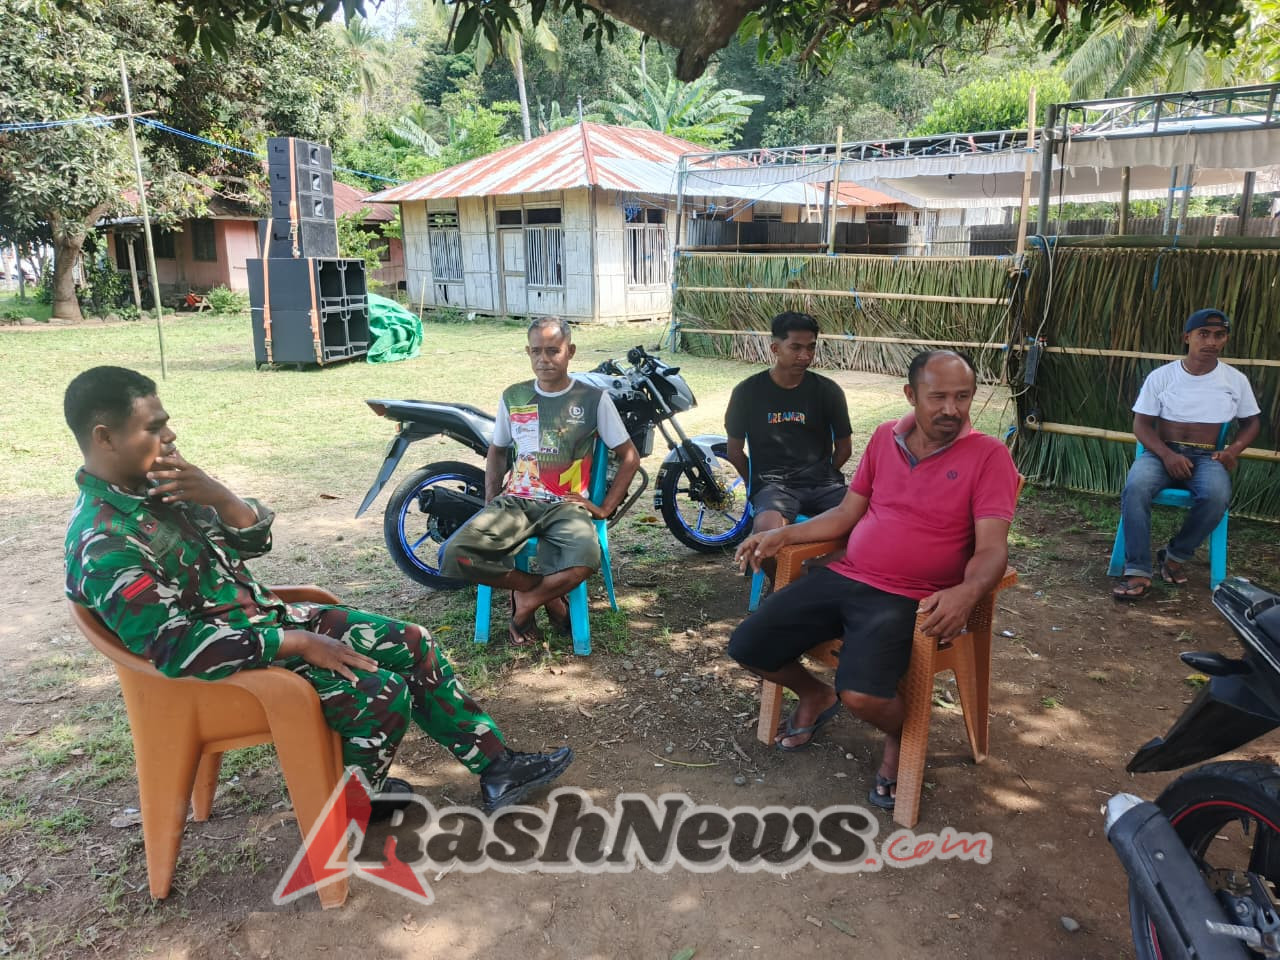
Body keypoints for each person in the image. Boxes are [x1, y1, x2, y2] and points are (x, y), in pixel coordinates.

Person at [63, 366, 571, 815]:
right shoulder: (105, 543)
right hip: (224, 671)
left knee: (414, 642)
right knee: (382, 695)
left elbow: (252, 542)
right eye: (153, 428)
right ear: (105, 437)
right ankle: (351, 805)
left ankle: (498, 768)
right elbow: (175, 649)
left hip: (266, 624)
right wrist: (300, 643)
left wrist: (219, 495)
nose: (170, 436)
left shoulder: (160, 489)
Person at [727, 351, 1018, 810]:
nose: (951, 409)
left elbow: (991, 548)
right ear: (910, 395)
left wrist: (968, 591)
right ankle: (815, 694)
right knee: (748, 646)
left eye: (962, 397)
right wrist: (783, 533)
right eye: (938, 396)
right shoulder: (885, 438)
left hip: (913, 597)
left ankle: (905, 736)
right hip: (848, 576)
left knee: (861, 694)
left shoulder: (988, 456)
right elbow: (847, 513)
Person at [440, 317, 640, 645]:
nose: (543, 359)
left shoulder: (592, 399)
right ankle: (536, 590)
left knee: (585, 558)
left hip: (566, 504)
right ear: (527, 352)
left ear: (570, 351)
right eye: (536, 351)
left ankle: (527, 602)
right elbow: (497, 451)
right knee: (454, 555)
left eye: (552, 350)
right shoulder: (514, 395)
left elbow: (630, 457)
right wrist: (492, 496)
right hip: (515, 501)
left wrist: (603, 509)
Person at [1112, 308, 1261, 599]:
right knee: (1136, 487)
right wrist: (1167, 455)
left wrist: (1234, 450)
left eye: (1219, 335)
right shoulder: (1162, 376)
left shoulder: (1234, 380)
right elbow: (1141, 425)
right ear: (1187, 337)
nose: (1211, 342)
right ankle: (1138, 571)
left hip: (1208, 458)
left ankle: (1174, 556)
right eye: (1203, 334)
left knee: (1217, 496)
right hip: (1161, 453)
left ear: (1225, 339)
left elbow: (1252, 422)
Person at [723, 312, 853, 557]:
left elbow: (844, 448)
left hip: (824, 485)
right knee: (765, 539)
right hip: (774, 486)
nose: (804, 356)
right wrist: (757, 483)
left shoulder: (828, 391)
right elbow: (734, 451)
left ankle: (825, 579)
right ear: (775, 347)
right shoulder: (747, 392)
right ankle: (779, 586)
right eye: (795, 347)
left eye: (810, 347)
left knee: (867, 526)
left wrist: (825, 472)